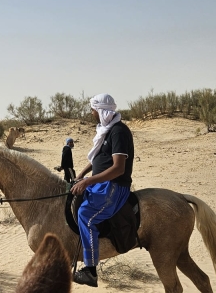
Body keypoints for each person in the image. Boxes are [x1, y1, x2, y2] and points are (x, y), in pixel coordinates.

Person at [70, 93, 135, 287]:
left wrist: (88, 182)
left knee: (85, 214)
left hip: (114, 186)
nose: (91, 114)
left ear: (101, 111)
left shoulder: (118, 131)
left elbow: (118, 168)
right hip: (100, 183)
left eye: (93, 110)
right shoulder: (105, 130)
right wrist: (81, 176)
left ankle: (90, 271)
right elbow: (97, 159)